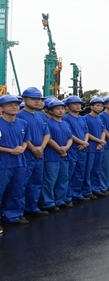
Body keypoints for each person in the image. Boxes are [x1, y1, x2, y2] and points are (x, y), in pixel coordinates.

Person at [18, 87, 51, 218]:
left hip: (40, 154)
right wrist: (33, 149)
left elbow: (47, 133)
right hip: (26, 154)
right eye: (33, 99)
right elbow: (22, 136)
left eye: (39, 99)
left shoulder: (41, 115)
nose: (37, 102)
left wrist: (41, 148)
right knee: (21, 184)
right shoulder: (19, 115)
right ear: (24, 99)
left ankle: (33, 207)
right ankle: (20, 211)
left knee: (36, 182)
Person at [0, 94, 30, 228]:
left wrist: (22, 148)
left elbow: (25, 141)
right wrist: (10, 150)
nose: (14, 107)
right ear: (2, 108)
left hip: (19, 163)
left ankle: (13, 215)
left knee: (17, 190)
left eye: (17, 105)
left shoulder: (23, 123)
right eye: (10, 105)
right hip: (3, 163)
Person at [43, 98, 73, 209]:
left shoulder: (65, 123)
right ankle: (48, 202)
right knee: (50, 180)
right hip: (52, 155)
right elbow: (48, 138)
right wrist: (59, 149)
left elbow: (70, 138)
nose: (60, 111)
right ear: (51, 111)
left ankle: (60, 200)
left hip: (64, 154)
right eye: (57, 109)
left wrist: (66, 148)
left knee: (63, 178)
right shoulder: (47, 123)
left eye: (62, 109)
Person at [63, 96, 89, 203]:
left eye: (79, 104)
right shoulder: (65, 118)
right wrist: (81, 142)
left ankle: (77, 193)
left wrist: (85, 142)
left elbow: (86, 132)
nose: (78, 106)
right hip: (72, 148)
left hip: (82, 148)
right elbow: (69, 134)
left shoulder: (82, 118)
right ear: (68, 106)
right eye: (75, 104)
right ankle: (68, 196)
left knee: (80, 172)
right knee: (70, 172)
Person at [83, 96, 109, 197]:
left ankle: (96, 188)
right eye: (97, 106)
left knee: (97, 170)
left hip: (99, 147)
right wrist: (100, 141)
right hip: (90, 148)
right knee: (88, 170)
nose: (100, 108)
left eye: (101, 106)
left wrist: (101, 142)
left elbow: (103, 131)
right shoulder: (85, 118)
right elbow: (87, 133)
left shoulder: (100, 118)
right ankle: (87, 190)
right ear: (91, 106)